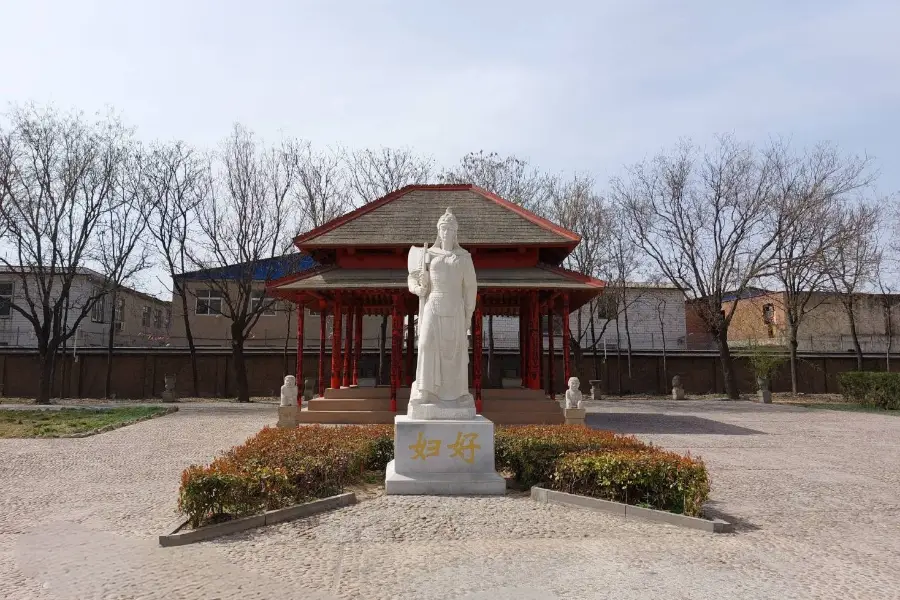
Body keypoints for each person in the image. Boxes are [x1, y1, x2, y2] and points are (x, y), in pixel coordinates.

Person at [406, 208, 477, 419]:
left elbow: (470, 287)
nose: (446, 233)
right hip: (433, 304)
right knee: (427, 345)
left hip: (455, 307)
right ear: (439, 231)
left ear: (455, 233)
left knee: (455, 352)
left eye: (450, 229)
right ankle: (426, 391)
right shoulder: (428, 254)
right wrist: (418, 288)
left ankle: (459, 394)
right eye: (443, 229)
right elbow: (413, 278)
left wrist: (468, 314)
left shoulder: (464, 257)